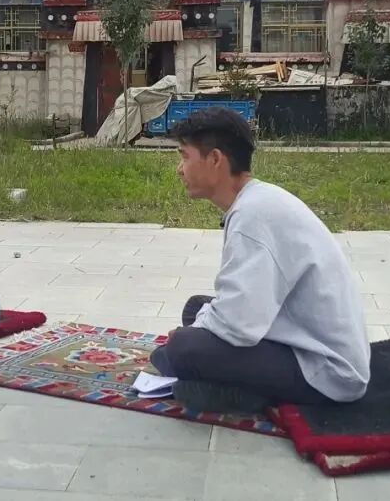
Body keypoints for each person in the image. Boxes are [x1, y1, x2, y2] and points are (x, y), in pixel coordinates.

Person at [150, 107, 371, 413]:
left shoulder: (252, 216)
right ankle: (217, 380)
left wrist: (187, 338)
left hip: (328, 373)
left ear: (215, 160)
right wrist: (201, 324)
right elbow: (244, 307)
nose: (180, 169)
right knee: (195, 308)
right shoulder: (257, 200)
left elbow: (239, 324)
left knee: (182, 349)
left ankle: (243, 396)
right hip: (302, 337)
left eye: (185, 156)